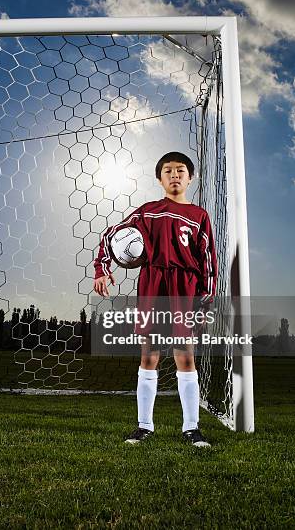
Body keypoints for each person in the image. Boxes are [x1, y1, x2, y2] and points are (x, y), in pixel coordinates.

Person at [93, 151, 217, 446]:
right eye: (168, 171)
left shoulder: (200, 216)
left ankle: (191, 428)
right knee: (149, 354)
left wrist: (206, 299)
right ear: (159, 178)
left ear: (191, 177)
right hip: (153, 283)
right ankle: (144, 426)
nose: (175, 175)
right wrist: (102, 269)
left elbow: (208, 259)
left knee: (184, 356)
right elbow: (111, 234)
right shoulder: (147, 211)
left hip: (185, 288)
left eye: (181, 170)